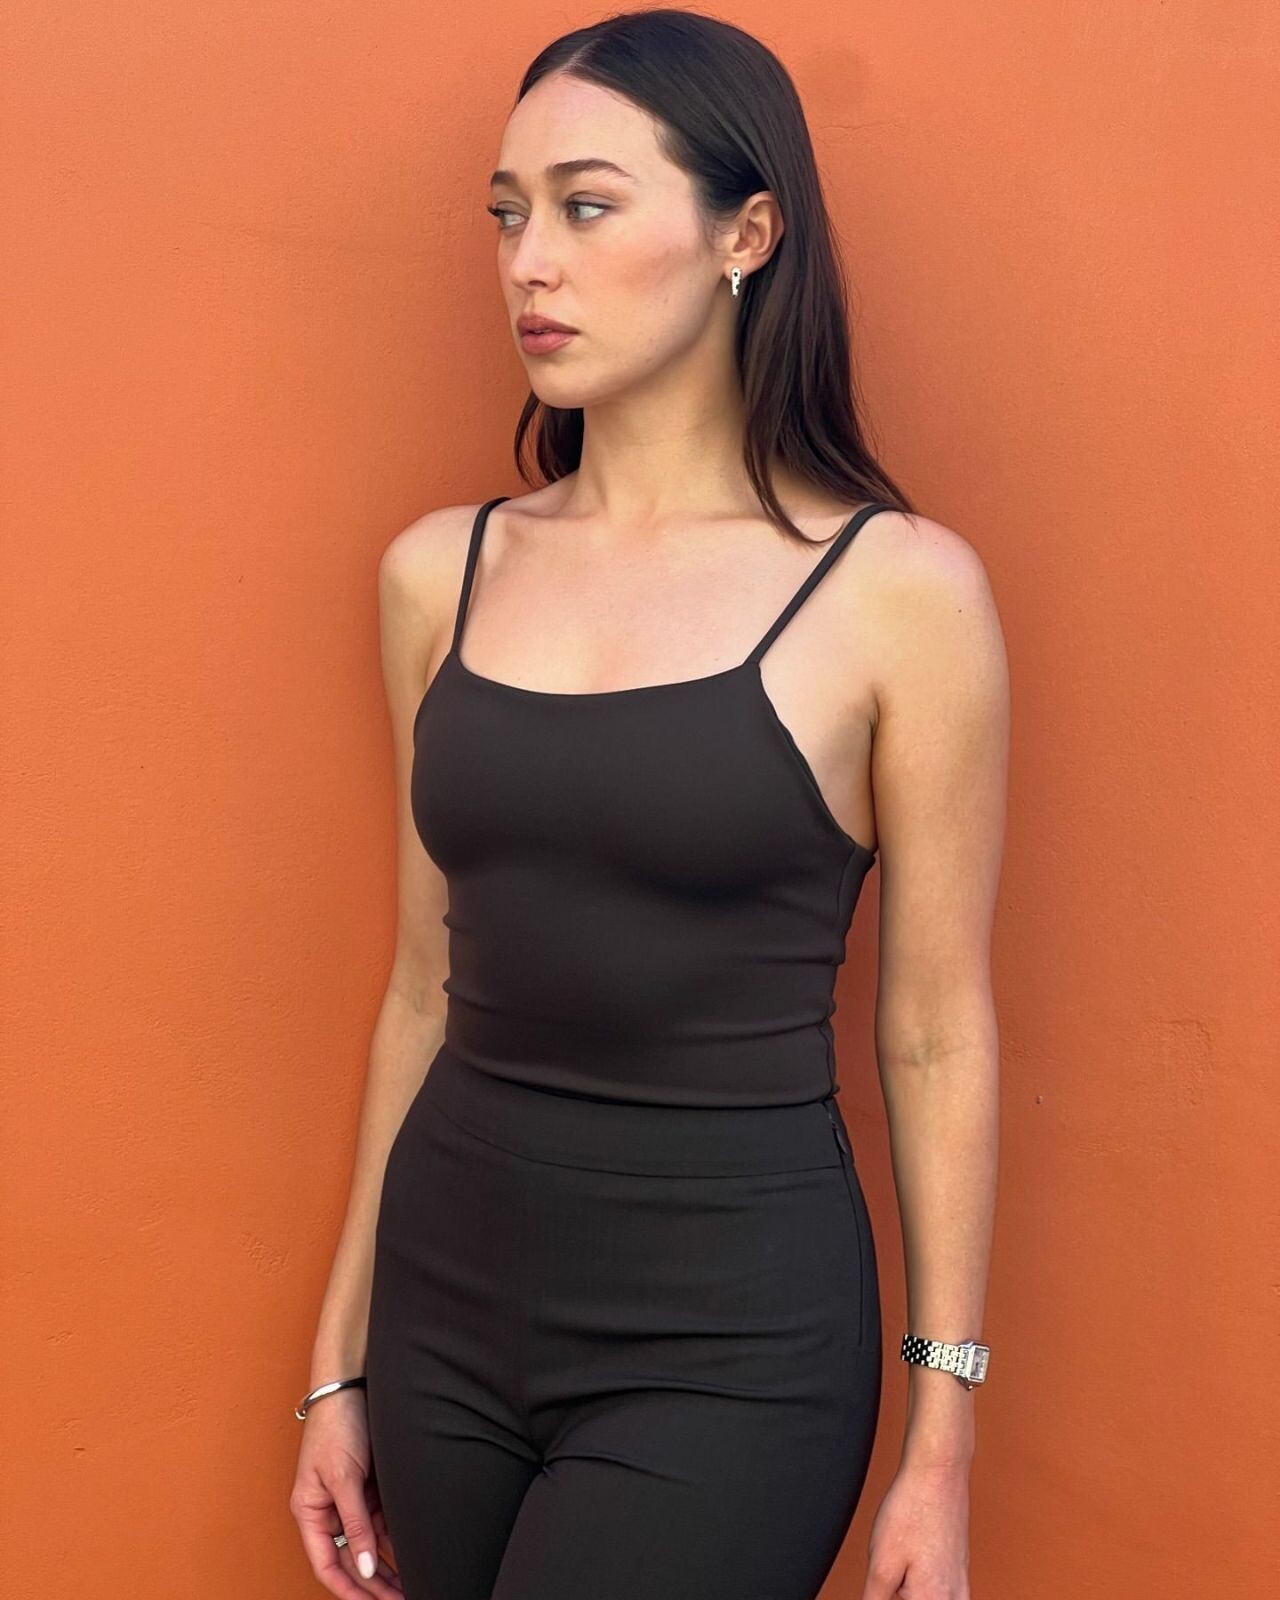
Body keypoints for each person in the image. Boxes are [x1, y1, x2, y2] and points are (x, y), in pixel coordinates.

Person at [290, 11, 1007, 1600]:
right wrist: (338, 1360)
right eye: (507, 213)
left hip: (733, 1339)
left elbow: (936, 1034)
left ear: (748, 233)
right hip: (444, 1313)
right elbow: (422, 988)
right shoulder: (441, 573)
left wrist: (941, 1442)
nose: (529, 262)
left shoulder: (897, 594)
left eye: (587, 206)